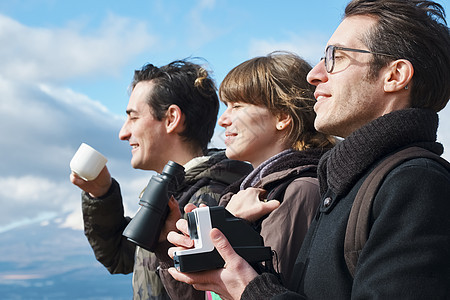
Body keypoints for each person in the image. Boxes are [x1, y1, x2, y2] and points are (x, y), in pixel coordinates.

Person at [166, 0, 450, 299]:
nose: (313, 74)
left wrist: (251, 290)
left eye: (335, 57)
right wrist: (232, 265)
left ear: (394, 76)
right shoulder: (346, 184)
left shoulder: (416, 183)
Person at [156, 52, 335, 299]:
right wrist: (172, 248)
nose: (223, 120)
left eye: (237, 106)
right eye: (226, 106)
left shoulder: (300, 191)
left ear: (283, 117)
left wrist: (228, 226)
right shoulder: (241, 195)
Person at [70, 59, 253, 300]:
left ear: (171, 119)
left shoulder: (206, 202)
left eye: (133, 118)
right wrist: (101, 194)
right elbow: (121, 256)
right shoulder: (176, 194)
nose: (123, 133)